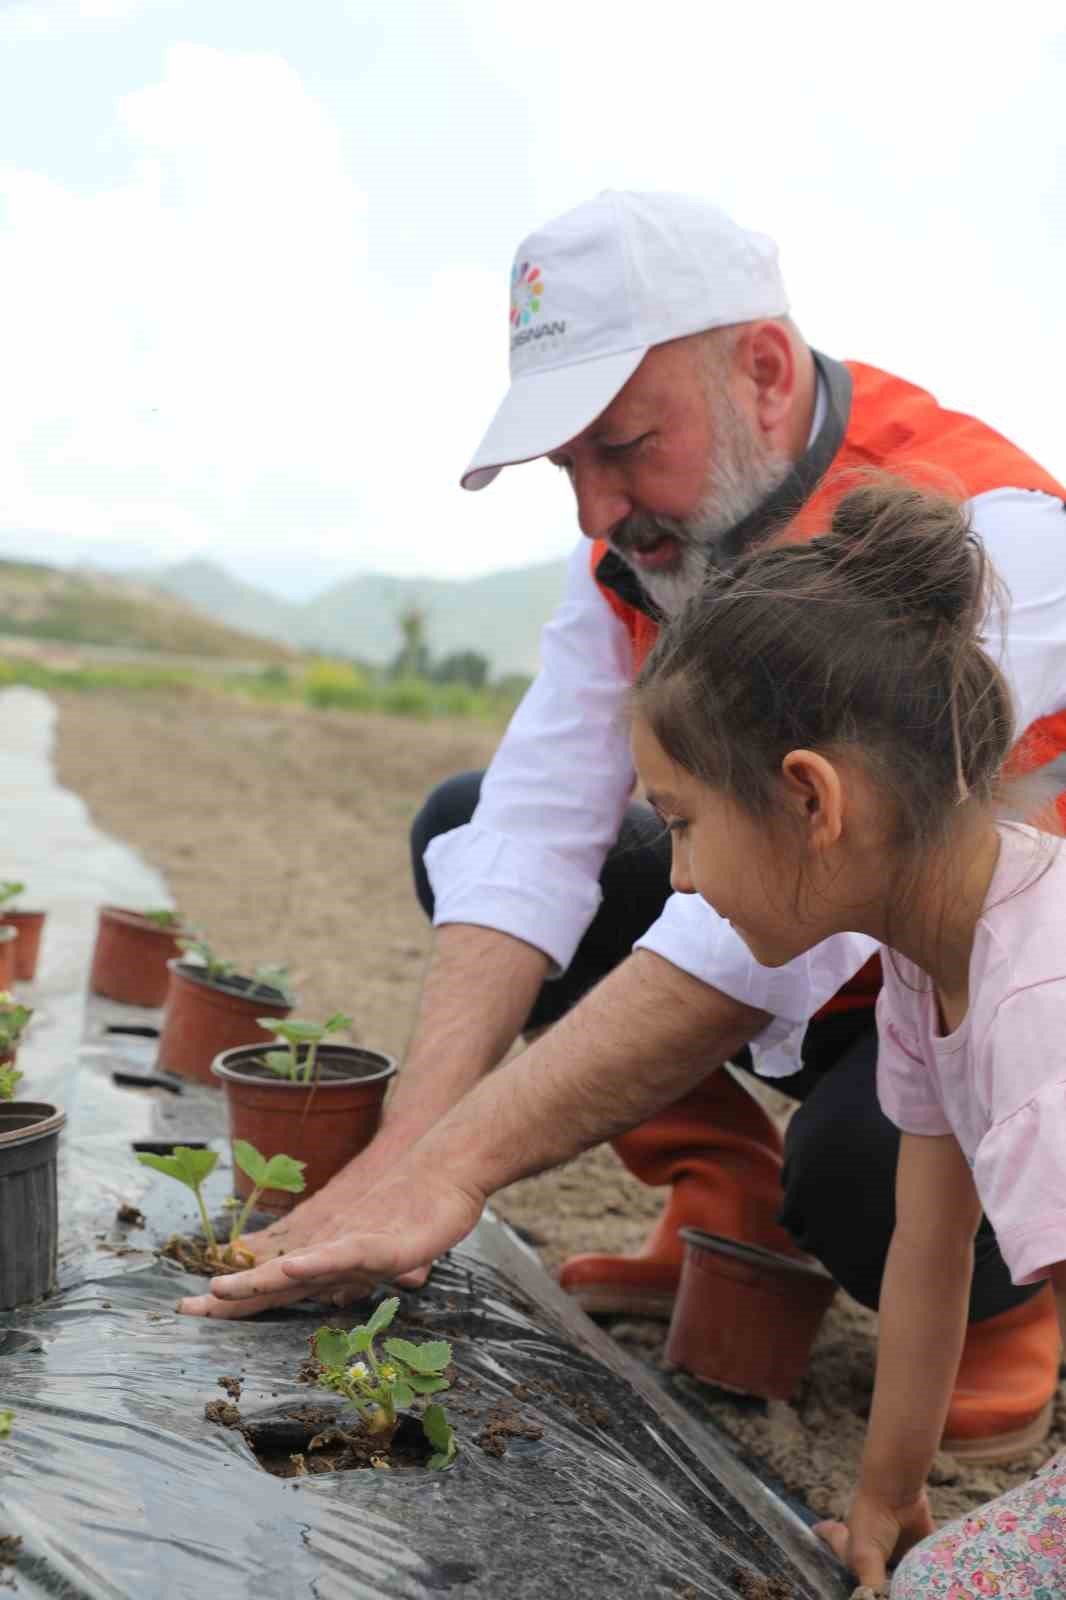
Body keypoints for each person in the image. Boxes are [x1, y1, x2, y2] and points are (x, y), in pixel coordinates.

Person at [178, 190, 1066, 1465]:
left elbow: (758, 934)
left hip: (998, 992)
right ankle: (730, 1206)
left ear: (759, 369)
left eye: (624, 446)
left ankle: (1000, 1318)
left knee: (868, 1164)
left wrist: (453, 1172)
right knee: (470, 821)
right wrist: (401, 1150)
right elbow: (534, 833)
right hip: (844, 949)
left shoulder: (986, 537)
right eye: (569, 470)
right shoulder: (652, 545)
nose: (596, 512)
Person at [619, 478, 1066, 1591]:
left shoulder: (1034, 1008)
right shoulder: (931, 954)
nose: (675, 876)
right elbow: (927, 1250)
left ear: (811, 801)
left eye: (683, 827)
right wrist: (887, 1492)